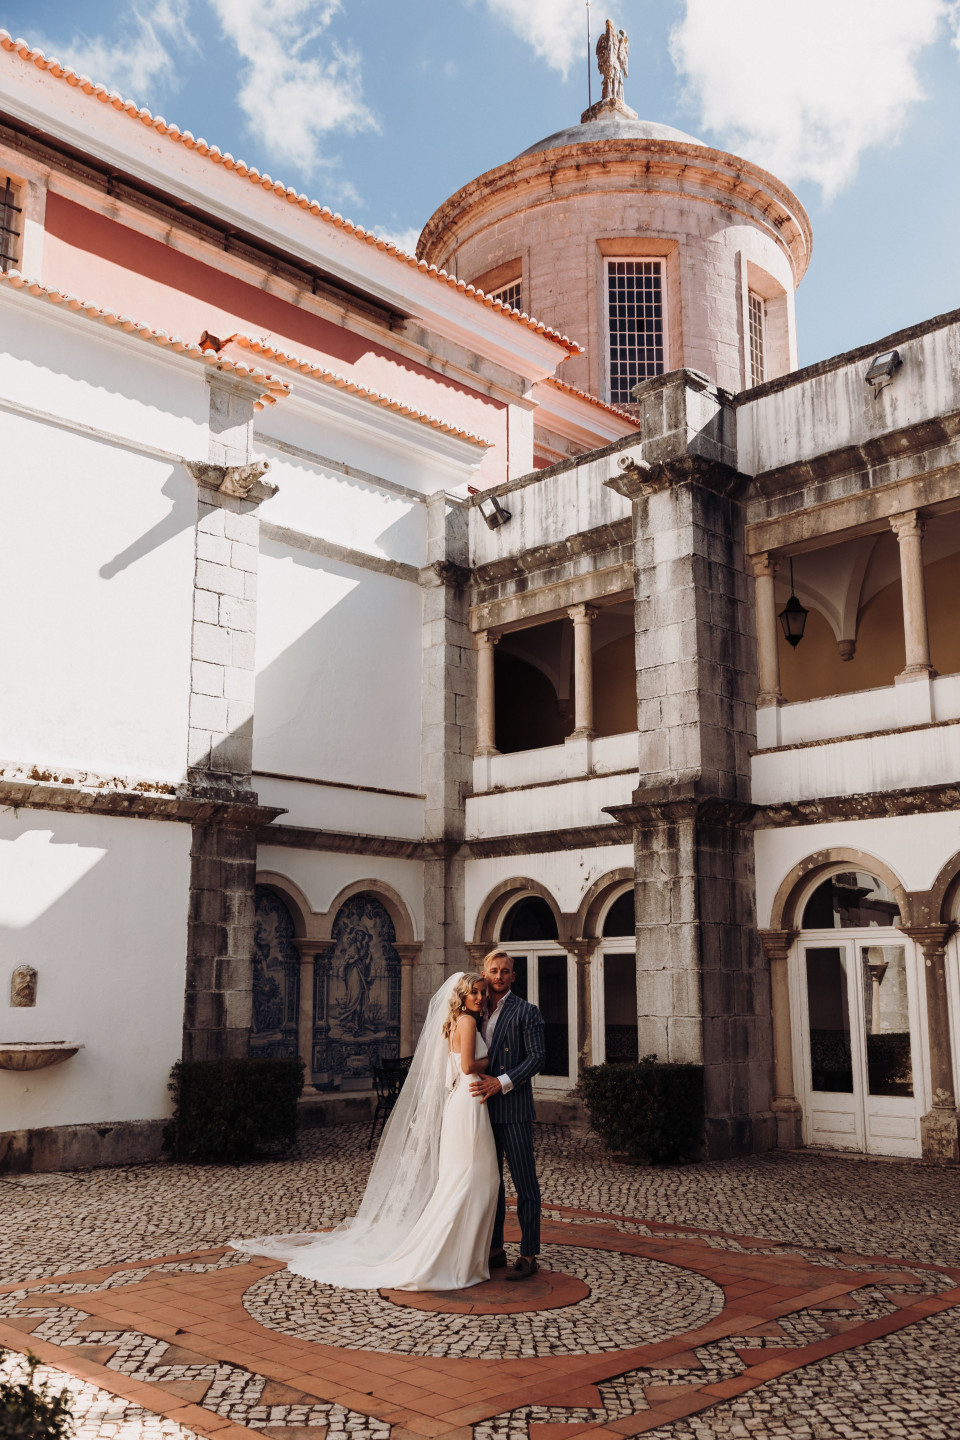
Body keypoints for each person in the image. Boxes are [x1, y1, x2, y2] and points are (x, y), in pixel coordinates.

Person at [230, 971, 500, 1291]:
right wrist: (492, 1061)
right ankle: (450, 1258)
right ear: (463, 996)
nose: (481, 998)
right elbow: (468, 1066)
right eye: (475, 993)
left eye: (483, 992)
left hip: (464, 1100)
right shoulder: (467, 1022)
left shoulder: (456, 1021)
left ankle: (458, 1256)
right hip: (469, 1099)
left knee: (467, 1179)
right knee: (476, 1179)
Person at [470, 950, 546, 1281]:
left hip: (513, 1108)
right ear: (484, 974)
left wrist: (501, 1083)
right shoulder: (474, 1011)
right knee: (492, 1184)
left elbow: (538, 1058)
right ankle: (496, 1249)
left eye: (505, 971)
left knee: (524, 1182)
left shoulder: (526, 1011)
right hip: (482, 1111)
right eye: (493, 970)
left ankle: (529, 1254)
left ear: (513, 976)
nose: (499, 976)